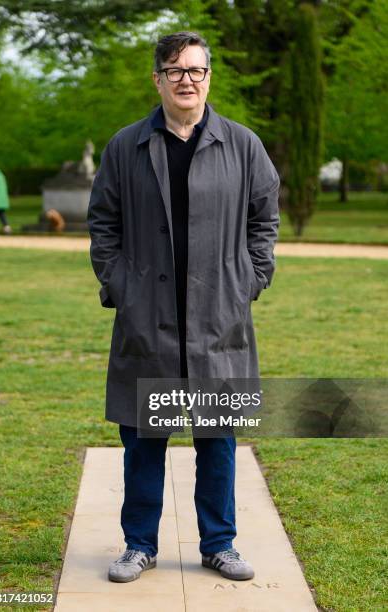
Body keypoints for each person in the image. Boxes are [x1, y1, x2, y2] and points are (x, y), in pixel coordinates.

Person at [87, 31, 280, 584]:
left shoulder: (243, 145)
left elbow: (264, 218)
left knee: (217, 441)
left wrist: (250, 277)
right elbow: (103, 222)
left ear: (208, 78)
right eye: (175, 71)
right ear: (158, 79)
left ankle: (219, 543)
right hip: (148, 320)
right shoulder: (127, 145)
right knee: (144, 441)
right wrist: (121, 284)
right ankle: (138, 545)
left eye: (195, 71)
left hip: (219, 320)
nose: (186, 80)